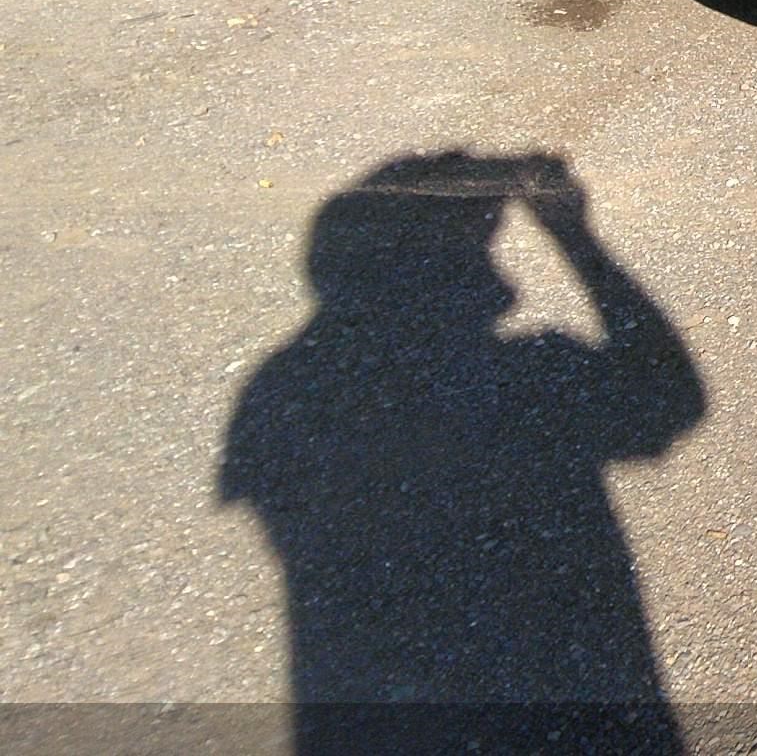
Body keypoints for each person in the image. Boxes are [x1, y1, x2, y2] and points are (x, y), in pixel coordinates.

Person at [220, 151, 705, 747]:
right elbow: (671, 401)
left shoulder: (281, 388)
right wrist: (576, 237)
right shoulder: (530, 369)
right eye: (484, 245)